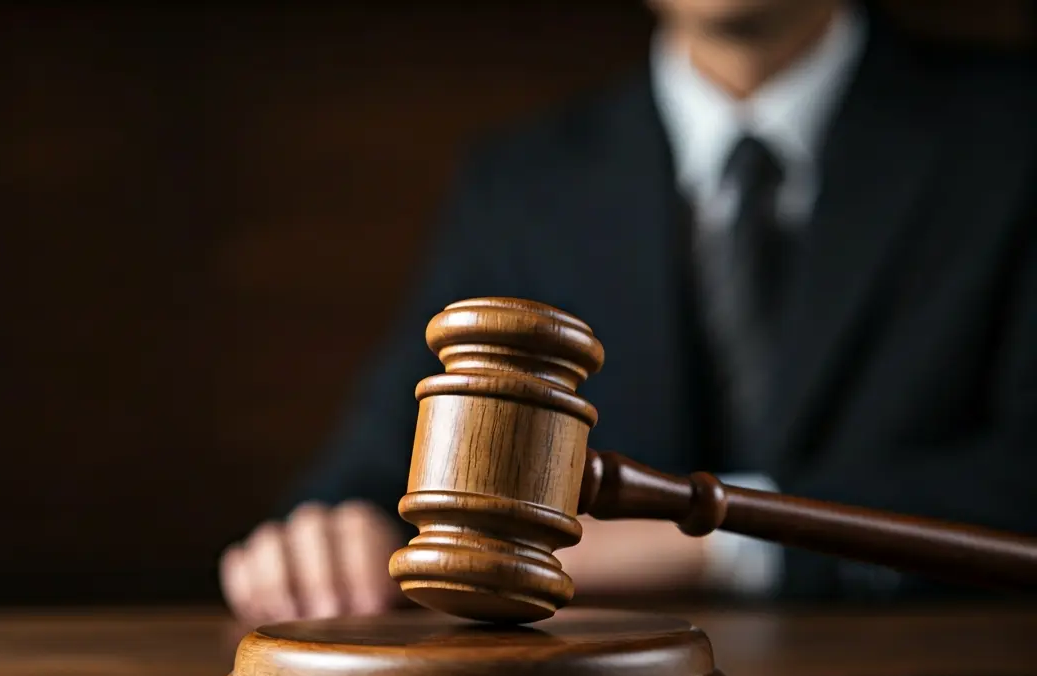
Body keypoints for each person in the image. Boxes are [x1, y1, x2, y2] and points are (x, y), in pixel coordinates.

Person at [220, 0, 1037, 624]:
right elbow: (379, 475)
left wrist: (709, 544)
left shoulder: (1013, 133)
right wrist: (329, 541)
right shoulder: (523, 186)